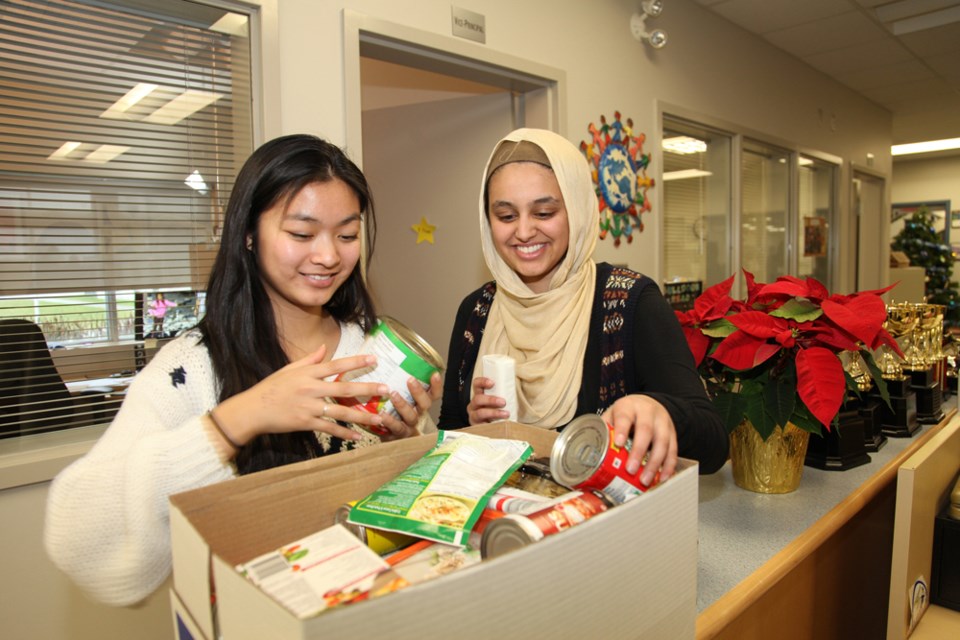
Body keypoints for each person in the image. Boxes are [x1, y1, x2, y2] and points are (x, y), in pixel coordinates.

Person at [44, 134, 442, 606]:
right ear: (249, 234)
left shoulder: (373, 350)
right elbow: (76, 540)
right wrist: (236, 421)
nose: (329, 256)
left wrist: (407, 450)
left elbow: (425, 519)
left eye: (347, 234)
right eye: (301, 234)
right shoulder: (192, 367)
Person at [438, 128, 728, 482]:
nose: (524, 231)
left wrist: (658, 408)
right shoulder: (476, 311)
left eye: (544, 212)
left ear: (576, 208)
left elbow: (714, 443)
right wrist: (473, 426)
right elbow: (447, 433)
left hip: (603, 530)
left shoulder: (630, 302)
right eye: (506, 216)